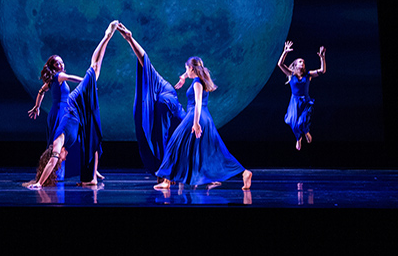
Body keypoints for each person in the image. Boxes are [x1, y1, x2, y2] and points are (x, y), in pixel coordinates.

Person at [24, 21, 117, 189]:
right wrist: (37, 106)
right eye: (57, 63)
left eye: (61, 63)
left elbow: (52, 160)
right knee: (91, 137)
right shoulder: (65, 143)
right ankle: (93, 175)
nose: (62, 159)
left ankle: (106, 37)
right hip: (76, 112)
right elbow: (41, 91)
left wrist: (39, 183)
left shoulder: (58, 142)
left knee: (94, 70)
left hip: (72, 105)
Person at [152, 55, 252, 190]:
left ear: (192, 69)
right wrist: (184, 77)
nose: (186, 72)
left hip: (195, 116)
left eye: (186, 69)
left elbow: (198, 102)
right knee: (214, 149)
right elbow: (192, 76)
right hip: (206, 117)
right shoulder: (201, 79)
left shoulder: (197, 82)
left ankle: (167, 181)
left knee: (174, 144)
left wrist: (196, 123)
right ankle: (244, 173)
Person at [116, 22, 187, 176]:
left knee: (163, 137)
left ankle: (165, 173)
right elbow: (145, 61)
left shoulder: (162, 93)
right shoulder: (159, 91)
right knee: (164, 137)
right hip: (168, 104)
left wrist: (130, 39)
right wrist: (129, 39)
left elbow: (145, 61)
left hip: (167, 102)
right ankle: (166, 172)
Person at [28, 54, 102, 180]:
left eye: (61, 62)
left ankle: (88, 170)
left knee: (65, 143)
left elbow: (41, 91)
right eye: (57, 64)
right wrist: (87, 82)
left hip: (59, 112)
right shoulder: (59, 76)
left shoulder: (52, 79)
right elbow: (71, 77)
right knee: (62, 144)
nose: (61, 65)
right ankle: (57, 173)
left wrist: (37, 106)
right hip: (61, 113)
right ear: (53, 66)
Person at [277, 41, 326, 150]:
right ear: (295, 65)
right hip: (294, 102)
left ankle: (306, 131)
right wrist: (285, 52)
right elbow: (280, 64)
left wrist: (322, 58)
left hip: (305, 102)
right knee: (292, 122)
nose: (302, 63)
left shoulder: (308, 75)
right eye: (300, 61)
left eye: (303, 62)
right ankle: (298, 138)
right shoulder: (291, 74)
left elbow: (322, 71)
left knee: (302, 122)